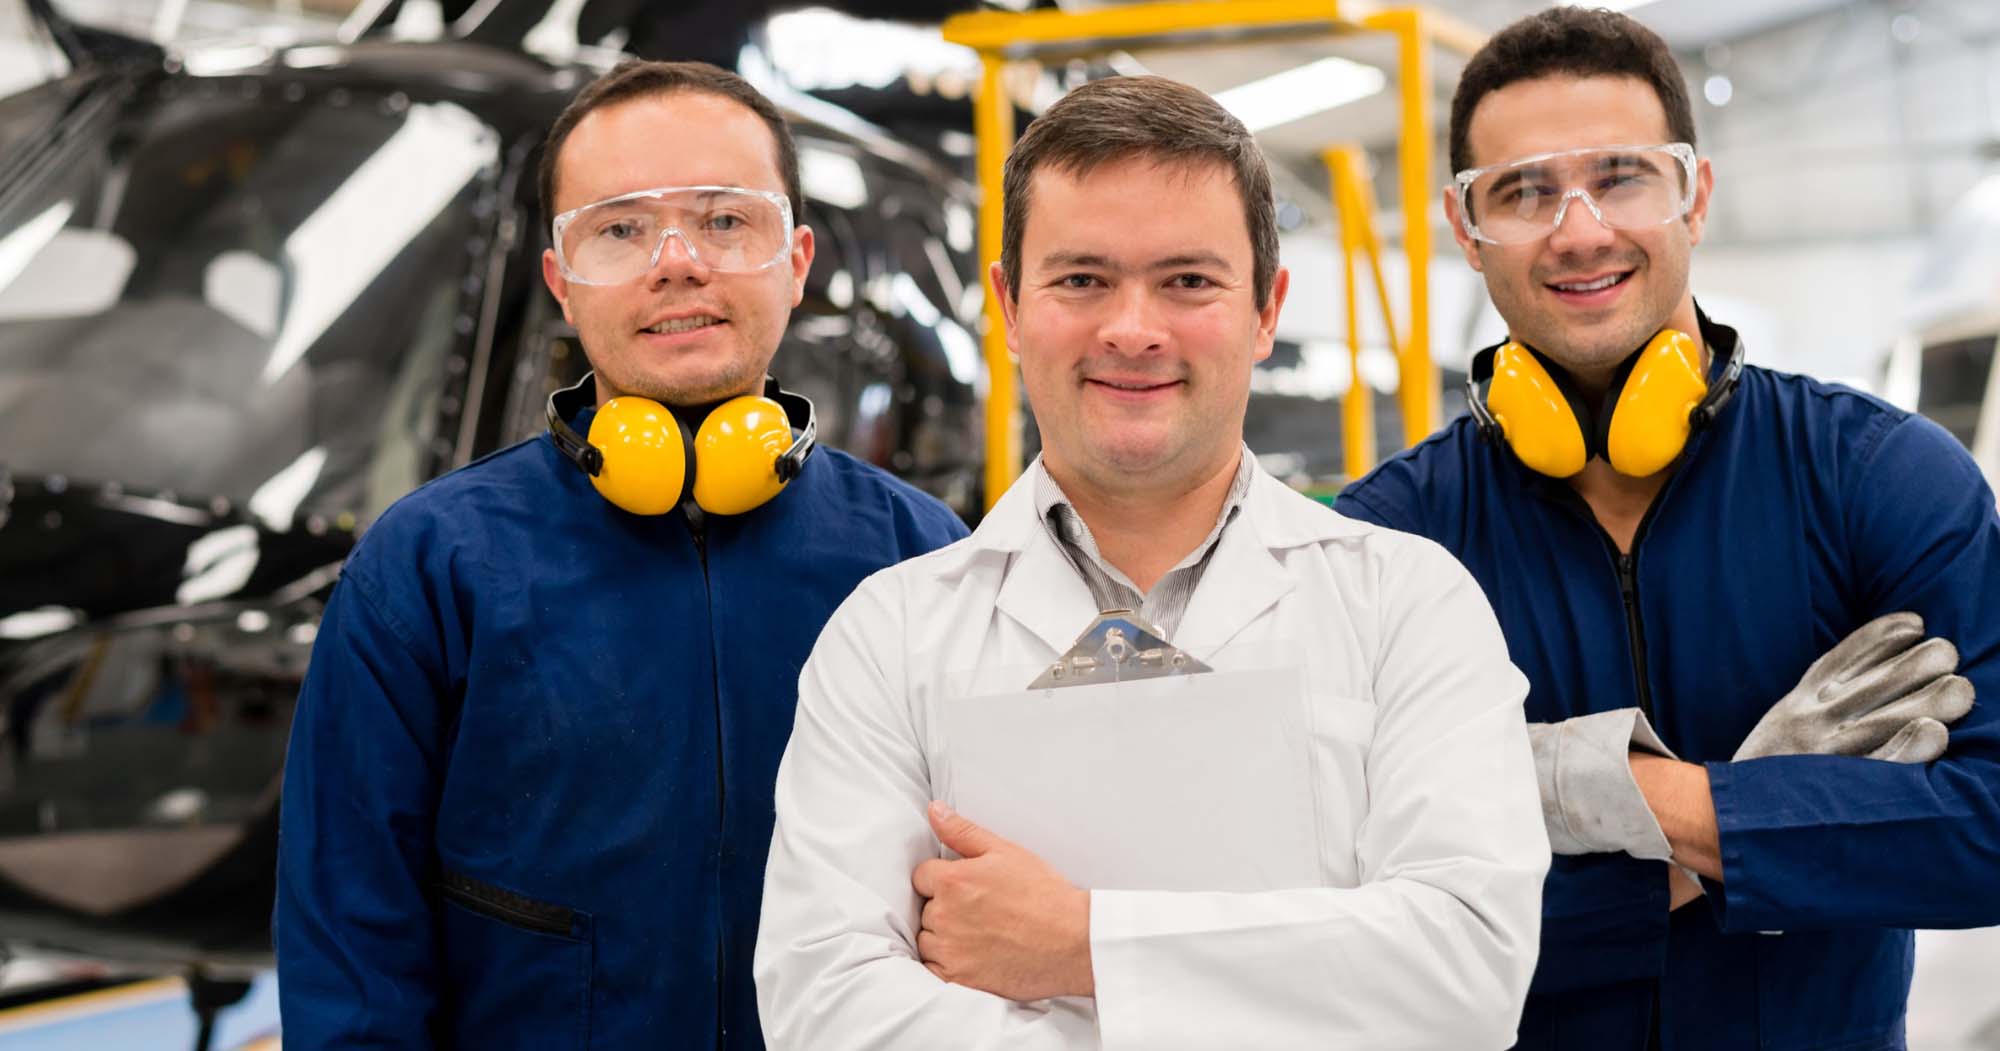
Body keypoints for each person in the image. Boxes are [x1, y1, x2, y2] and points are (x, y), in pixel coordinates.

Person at [754, 74, 1547, 1050]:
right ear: (1007, 305)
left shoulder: (1408, 606)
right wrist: (1298, 971)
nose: (1131, 328)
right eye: (1081, 279)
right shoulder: (887, 635)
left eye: (1186, 280)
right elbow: (826, 1008)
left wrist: (1079, 942)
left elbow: (1462, 970)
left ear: (1264, 309)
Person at [1336, 9, 2000, 1050]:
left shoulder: (1880, 477)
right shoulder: (1389, 543)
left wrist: (1609, 792)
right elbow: (1367, 928)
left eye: (1620, 175)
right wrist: (1749, 824)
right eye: (1520, 191)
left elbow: (1984, 828)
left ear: (1692, 195)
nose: (1578, 228)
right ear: (1466, 232)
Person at [274, 60, 968, 1049]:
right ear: (561, 281)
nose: (676, 261)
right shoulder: (428, 570)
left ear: (797, 258)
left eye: (725, 220)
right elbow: (351, 944)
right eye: (620, 228)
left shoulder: (920, 560)